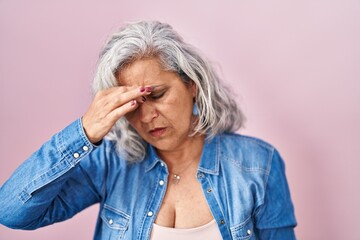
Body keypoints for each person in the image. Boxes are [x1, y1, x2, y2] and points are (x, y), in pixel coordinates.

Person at [0, 21, 297, 239]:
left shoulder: (258, 165)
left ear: (191, 85)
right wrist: (84, 132)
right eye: (132, 105)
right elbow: (11, 212)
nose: (147, 115)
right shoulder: (113, 164)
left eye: (157, 95)